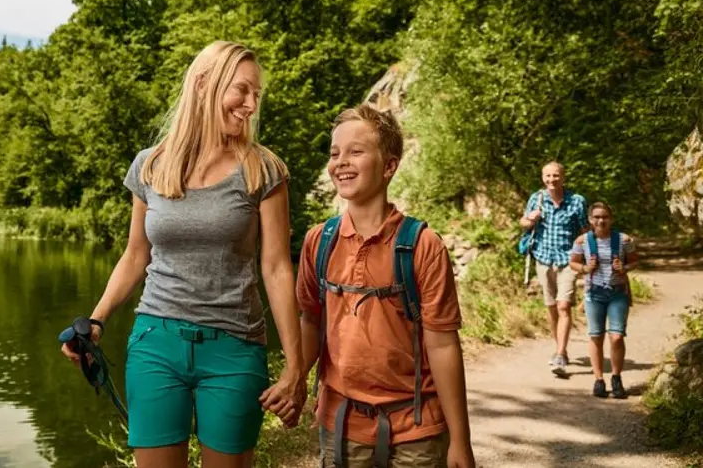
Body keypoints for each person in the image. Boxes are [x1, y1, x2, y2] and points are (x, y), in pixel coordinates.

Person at [61, 41, 305, 468]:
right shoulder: (151, 165)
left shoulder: (264, 169)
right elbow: (136, 255)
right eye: (242, 90)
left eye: (256, 95)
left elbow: (277, 268)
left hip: (234, 347)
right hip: (156, 343)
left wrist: (295, 367)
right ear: (203, 84)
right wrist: (97, 319)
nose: (250, 105)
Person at [295, 105, 475, 468]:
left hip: (418, 428)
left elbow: (442, 345)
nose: (341, 162)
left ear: (389, 166)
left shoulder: (422, 245)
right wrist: (293, 379)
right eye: (335, 153)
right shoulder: (319, 241)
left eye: (356, 151)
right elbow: (310, 321)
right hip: (342, 425)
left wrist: (460, 440)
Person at [519, 162, 589, 376]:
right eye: (548, 176)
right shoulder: (537, 199)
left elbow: (585, 229)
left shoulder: (576, 201)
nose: (552, 179)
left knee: (563, 305)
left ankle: (560, 353)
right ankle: (560, 348)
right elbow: (523, 223)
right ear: (543, 178)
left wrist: (587, 254)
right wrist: (530, 219)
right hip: (543, 258)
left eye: (556, 175)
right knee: (551, 306)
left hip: (568, 260)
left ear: (563, 177)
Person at [569, 202, 639, 399]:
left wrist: (624, 268)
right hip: (594, 294)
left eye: (605, 217)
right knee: (596, 336)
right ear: (591, 220)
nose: (601, 221)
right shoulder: (582, 241)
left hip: (618, 292)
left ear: (611, 219)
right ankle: (599, 379)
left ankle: (616, 378)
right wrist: (585, 268)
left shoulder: (624, 240)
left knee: (616, 336)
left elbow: (635, 260)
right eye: (597, 217)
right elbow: (573, 262)